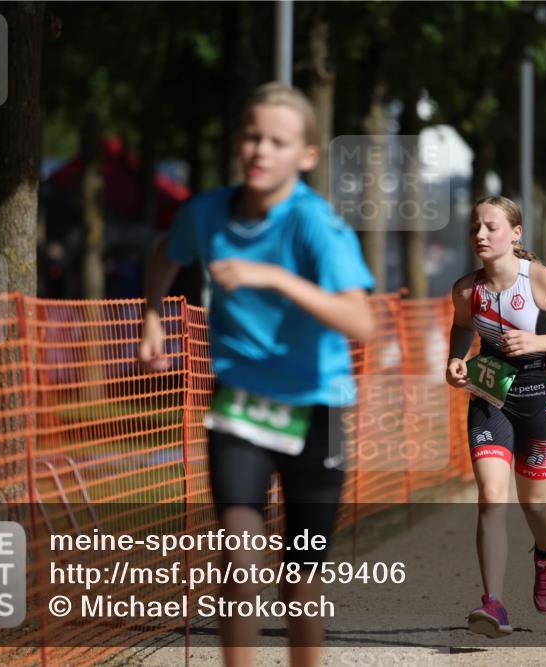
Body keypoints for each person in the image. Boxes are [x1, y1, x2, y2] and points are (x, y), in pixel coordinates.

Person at [139, 83, 375, 667]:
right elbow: (166, 250)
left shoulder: (314, 224)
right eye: (251, 135)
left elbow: (360, 319)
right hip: (240, 402)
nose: (261, 150)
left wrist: (276, 279)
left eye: (278, 140)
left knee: (301, 579)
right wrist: (152, 319)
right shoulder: (208, 213)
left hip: (316, 405)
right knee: (240, 558)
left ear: (306, 157)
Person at [446, 196, 546, 637]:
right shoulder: (465, 289)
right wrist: (455, 362)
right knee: (491, 496)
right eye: (475, 227)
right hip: (490, 394)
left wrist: (537, 344)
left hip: (538, 397)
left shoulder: (541, 281)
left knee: (533, 502)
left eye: (491, 227)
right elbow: (461, 327)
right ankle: (493, 604)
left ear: (515, 233)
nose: (480, 235)